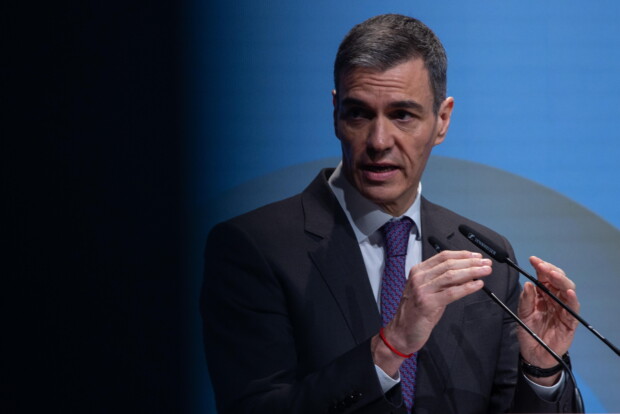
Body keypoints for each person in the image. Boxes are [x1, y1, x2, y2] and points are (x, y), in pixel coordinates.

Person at [201, 14, 581, 413]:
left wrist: (542, 371)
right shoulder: (256, 247)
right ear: (335, 113)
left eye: (402, 115)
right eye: (359, 114)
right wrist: (389, 348)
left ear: (442, 120)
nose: (379, 141)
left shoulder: (486, 260)